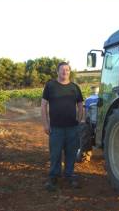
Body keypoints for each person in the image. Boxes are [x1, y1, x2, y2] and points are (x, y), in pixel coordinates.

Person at [41, 62, 83, 191]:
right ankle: (54, 177)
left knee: (71, 153)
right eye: (62, 70)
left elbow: (80, 105)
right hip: (56, 128)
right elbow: (43, 105)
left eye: (67, 70)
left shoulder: (75, 87)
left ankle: (69, 175)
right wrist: (45, 124)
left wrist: (78, 120)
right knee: (55, 154)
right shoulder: (50, 86)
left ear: (70, 72)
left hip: (72, 127)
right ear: (57, 72)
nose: (65, 72)